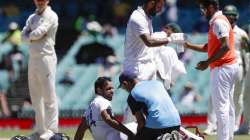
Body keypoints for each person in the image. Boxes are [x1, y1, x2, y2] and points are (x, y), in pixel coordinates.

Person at [184, 0, 238, 140]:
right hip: (228, 66)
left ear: (211, 7)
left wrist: (207, 62)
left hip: (222, 68)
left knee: (221, 108)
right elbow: (209, 47)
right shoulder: (218, 21)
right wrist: (188, 45)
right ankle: (228, 137)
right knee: (228, 106)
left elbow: (225, 46)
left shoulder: (218, 22)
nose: (202, 11)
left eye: (203, 8)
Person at [21, 0, 59, 139]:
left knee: (49, 96)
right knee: (36, 98)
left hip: (46, 57)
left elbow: (39, 32)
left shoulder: (51, 15)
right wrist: (32, 35)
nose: (40, 2)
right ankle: (40, 130)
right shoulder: (32, 17)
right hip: (33, 58)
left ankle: (52, 130)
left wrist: (30, 35)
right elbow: (22, 36)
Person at [123, 0, 186, 81]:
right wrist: (171, 39)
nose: (160, 10)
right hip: (137, 70)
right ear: (151, 3)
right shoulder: (138, 18)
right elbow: (149, 42)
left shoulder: (147, 17)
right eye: (159, 7)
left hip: (144, 68)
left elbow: (151, 52)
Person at [118, 72, 181, 140]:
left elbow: (141, 122)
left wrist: (138, 136)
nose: (124, 90)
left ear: (125, 83)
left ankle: (161, 138)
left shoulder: (132, 95)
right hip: (176, 122)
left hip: (158, 125)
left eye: (123, 87)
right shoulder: (157, 83)